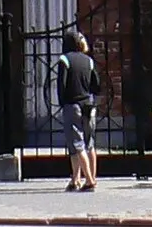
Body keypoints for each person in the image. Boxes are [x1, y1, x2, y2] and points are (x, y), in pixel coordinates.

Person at [56, 26, 102, 191]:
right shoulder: (88, 60)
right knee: (89, 144)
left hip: (72, 104)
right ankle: (76, 179)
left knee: (76, 144)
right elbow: (96, 84)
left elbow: (61, 85)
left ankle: (89, 181)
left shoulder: (65, 60)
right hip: (88, 104)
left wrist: (62, 102)